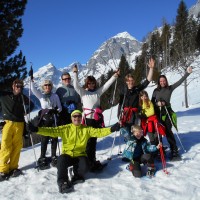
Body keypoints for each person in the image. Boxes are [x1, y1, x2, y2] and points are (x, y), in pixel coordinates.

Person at [27, 109, 121, 194]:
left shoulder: (86, 129)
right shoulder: (65, 128)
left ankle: (76, 174)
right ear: (71, 118)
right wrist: (37, 129)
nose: (77, 118)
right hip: (67, 155)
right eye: (75, 116)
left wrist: (111, 129)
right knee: (61, 160)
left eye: (79, 116)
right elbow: (51, 131)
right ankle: (63, 182)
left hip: (80, 155)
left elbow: (99, 132)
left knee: (85, 165)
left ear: (81, 118)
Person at [72, 65, 120, 172]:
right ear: (87, 84)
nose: (92, 85)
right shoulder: (83, 93)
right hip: (88, 120)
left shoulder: (97, 92)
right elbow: (75, 85)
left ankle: (92, 161)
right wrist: (75, 73)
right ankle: (88, 162)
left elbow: (106, 85)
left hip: (96, 119)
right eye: (89, 83)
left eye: (93, 83)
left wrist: (115, 76)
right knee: (88, 141)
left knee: (94, 141)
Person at [151, 66, 193, 161]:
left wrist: (187, 73)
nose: (162, 82)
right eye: (161, 81)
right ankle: (160, 150)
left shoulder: (170, 88)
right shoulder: (155, 91)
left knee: (168, 131)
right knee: (158, 132)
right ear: (158, 82)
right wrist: (157, 103)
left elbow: (179, 82)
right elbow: (151, 102)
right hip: (158, 113)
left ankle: (174, 150)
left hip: (167, 112)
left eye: (164, 81)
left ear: (166, 81)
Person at [118, 58, 155, 161]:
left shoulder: (137, 89)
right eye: (129, 81)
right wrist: (119, 116)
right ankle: (129, 153)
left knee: (136, 134)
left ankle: (135, 154)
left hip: (135, 115)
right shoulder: (123, 91)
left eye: (132, 80)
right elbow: (120, 104)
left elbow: (147, 81)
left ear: (134, 81)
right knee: (127, 136)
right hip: (125, 116)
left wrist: (151, 68)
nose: (130, 82)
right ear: (126, 81)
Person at [0, 79, 34, 181]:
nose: (19, 88)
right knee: (6, 146)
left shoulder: (23, 98)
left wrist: (26, 112)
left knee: (17, 146)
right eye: (17, 86)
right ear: (13, 86)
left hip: (19, 124)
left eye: (21, 86)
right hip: (8, 123)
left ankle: (13, 167)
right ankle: (3, 170)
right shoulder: (4, 95)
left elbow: (32, 105)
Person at [30, 79, 62, 169]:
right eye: (45, 85)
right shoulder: (41, 96)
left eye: (49, 85)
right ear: (43, 87)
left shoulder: (55, 96)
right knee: (44, 138)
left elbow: (60, 107)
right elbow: (33, 90)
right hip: (45, 120)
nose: (47, 87)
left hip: (54, 118)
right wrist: (31, 80)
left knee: (54, 138)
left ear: (51, 86)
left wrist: (56, 111)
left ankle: (53, 156)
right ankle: (42, 157)